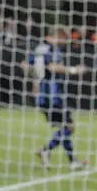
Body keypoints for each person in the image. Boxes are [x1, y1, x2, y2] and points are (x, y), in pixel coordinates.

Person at [23, 27, 88, 170]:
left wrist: (36, 81)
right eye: (65, 38)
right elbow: (52, 67)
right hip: (52, 96)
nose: (65, 42)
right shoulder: (51, 49)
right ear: (58, 35)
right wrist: (74, 70)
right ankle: (48, 150)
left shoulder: (39, 48)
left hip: (42, 96)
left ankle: (71, 160)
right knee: (69, 126)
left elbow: (25, 64)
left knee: (65, 127)